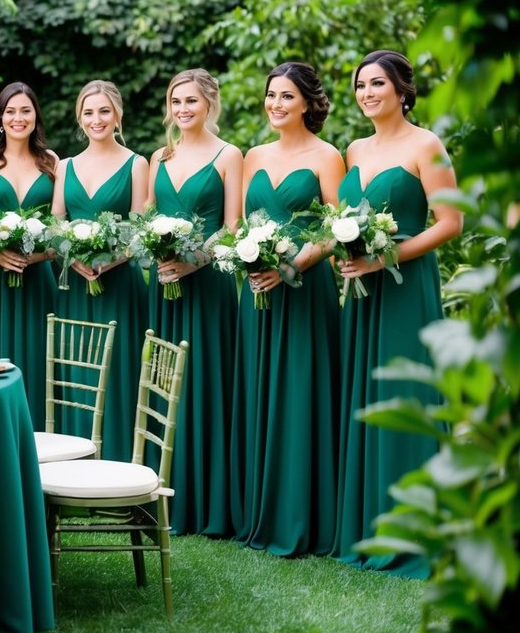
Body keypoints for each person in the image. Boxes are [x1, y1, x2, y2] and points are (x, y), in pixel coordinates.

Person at [332, 49, 462, 576]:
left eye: (378, 84)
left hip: (407, 290)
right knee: (369, 396)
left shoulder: (426, 144)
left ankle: (417, 534)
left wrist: (385, 255)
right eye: (361, 85)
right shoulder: (355, 148)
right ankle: (369, 526)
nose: (367, 93)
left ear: (402, 90)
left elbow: (450, 222)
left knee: (406, 396)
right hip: (364, 295)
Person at [230, 61, 344, 556]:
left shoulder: (328, 156)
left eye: (286, 97)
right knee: (259, 393)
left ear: (307, 104)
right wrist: (246, 256)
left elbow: (338, 229)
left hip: (305, 290)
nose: (275, 105)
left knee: (300, 394)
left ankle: (303, 516)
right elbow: (237, 224)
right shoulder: (253, 155)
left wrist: (294, 263)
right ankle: (258, 510)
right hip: (256, 290)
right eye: (271, 96)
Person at [146, 69, 243, 535]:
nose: (182, 110)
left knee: (205, 381)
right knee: (164, 380)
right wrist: (157, 253)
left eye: (191, 101)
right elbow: (145, 219)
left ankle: (209, 501)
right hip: (163, 283)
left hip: (207, 286)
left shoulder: (229, 155)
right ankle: (161, 490)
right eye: (176, 102)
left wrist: (194, 261)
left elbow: (232, 227)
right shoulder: (158, 157)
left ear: (210, 104)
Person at [51, 80, 148, 464]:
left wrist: (112, 259)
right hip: (75, 284)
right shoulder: (65, 165)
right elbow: (56, 223)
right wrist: (72, 257)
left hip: (120, 284)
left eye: (104, 111)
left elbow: (141, 225)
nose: (97, 119)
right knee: (77, 371)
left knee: (120, 372)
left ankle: (121, 461)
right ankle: (74, 466)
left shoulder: (137, 163)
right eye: (89, 112)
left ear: (118, 115)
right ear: (79, 117)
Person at [0, 82, 59, 427]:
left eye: (25, 110)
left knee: (39, 365)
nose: (18, 118)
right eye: (10, 111)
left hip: (38, 281)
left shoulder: (52, 162)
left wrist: (40, 255)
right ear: (0, 117)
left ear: (36, 116)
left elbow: (60, 227)